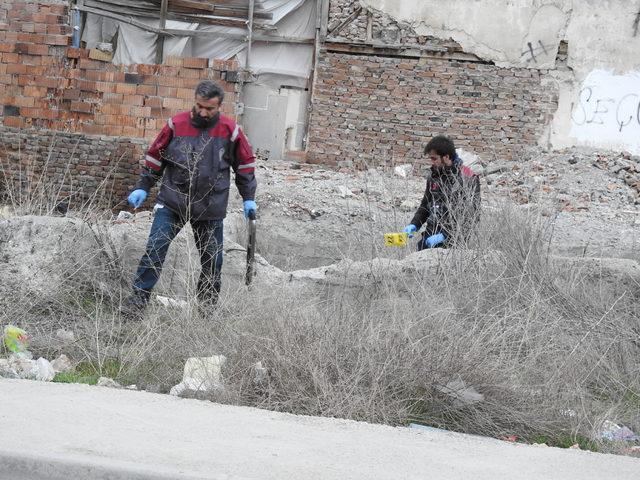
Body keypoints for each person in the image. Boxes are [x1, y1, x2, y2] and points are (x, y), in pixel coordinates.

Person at [121, 80, 257, 316]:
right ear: (194, 101)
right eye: (199, 106)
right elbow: (156, 157)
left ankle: (205, 311)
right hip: (173, 201)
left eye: (210, 109)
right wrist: (143, 186)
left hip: (210, 206)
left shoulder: (230, 131)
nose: (203, 113)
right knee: (155, 249)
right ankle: (136, 304)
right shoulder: (176, 125)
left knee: (212, 262)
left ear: (219, 107)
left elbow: (245, 166)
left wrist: (248, 197)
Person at [403, 135, 480, 250]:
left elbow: (472, 217)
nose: (432, 162)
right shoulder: (433, 175)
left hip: (453, 245)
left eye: (434, 158)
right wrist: (414, 224)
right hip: (429, 236)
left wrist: (445, 236)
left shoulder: (468, 177)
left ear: (446, 157)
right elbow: (425, 205)